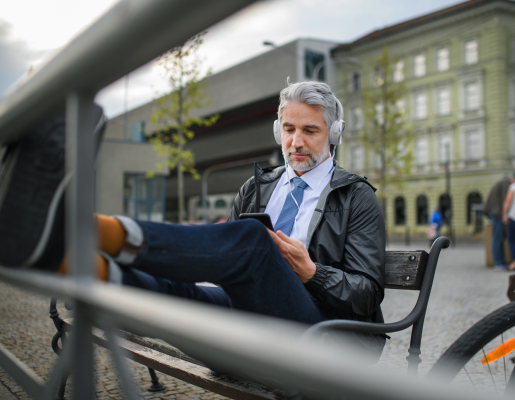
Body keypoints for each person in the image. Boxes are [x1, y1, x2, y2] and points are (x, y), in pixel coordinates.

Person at [0, 81, 387, 360]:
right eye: (289, 129)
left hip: (320, 333)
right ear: (278, 130)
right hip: (250, 318)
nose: (296, 142)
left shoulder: (356, 197)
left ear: (334, 134)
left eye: (310, 130)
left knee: (253, 240)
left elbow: (367, 293)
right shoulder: (257, 187)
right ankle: (58, 254)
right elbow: (228, 264)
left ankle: (85, 228)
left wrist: (312, 272)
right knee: (178, 293)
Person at [484, 175, 515, 270]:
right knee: (497, 237)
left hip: (494, 211)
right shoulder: (507, 184)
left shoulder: (502, 182)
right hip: (496, 212)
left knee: (498, 237)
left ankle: (500, 261)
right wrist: (505, 215)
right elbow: (505, 200)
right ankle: (498, 263)